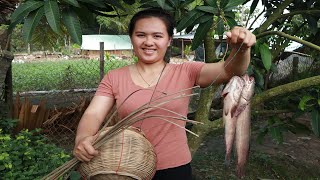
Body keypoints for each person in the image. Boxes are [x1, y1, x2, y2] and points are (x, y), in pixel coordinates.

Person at [73, 8, 256, 180]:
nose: (148, 42)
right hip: (126, 168)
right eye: (141, 35)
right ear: (131, 38)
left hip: (174, 168)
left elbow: (229, 70)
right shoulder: (114, 77)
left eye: (157, 36)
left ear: (169, 40)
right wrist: (83, 139)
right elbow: (93, 114)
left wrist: (241, 49)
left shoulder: (186, 71)